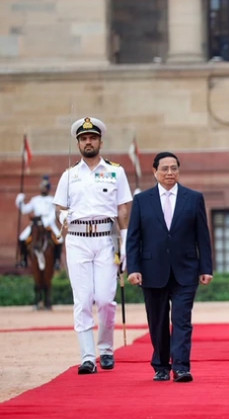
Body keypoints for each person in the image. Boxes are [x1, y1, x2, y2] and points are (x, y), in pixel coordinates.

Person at [53, 117, 132, 375]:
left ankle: (106, 349)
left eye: (93, 138)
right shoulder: (69, 174)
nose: (89, 142)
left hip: (105, 239)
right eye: (84, 138)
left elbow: (122, 209)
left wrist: (126, 241)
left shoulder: (115, 171)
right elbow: (60, 209)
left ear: (100, 141)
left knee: (106, 300)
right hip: (77, 240)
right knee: (83, 299)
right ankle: (88, 357)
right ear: (78, 143)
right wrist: (64, 217)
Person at [126, 152, 213, 382]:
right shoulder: (142, 201)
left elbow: (202, 236)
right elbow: (133, 238)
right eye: (164, 169)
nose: (169, 173)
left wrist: (206, 268)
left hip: (186, 270)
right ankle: (162, 366)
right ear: (154, 172)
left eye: (174, 168)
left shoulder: (193, 198)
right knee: (158, 321)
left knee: (182, 319)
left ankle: (182, 367)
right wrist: (133, 268)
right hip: (152, 270)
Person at [16, 175, 63, 270]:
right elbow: (25, 210)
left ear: (48, 189)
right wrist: (19, 201)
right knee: (22, 238)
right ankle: (24, 259)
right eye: (42, 186)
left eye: (45, 187)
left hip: (49, 223)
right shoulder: (35, 199)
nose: (42, 188)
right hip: (35, 224)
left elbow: (54, 213)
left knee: (60, 239)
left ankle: (57, 261)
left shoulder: (52, 200)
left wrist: (46, 222)